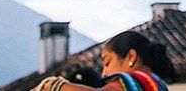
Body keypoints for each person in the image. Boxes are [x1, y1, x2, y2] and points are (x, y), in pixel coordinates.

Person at [39, 29, 173, 91]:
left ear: (131, 57)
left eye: (108, 63)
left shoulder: (139, 81)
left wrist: (53, 85)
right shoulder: (158, 85)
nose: (104, 74)